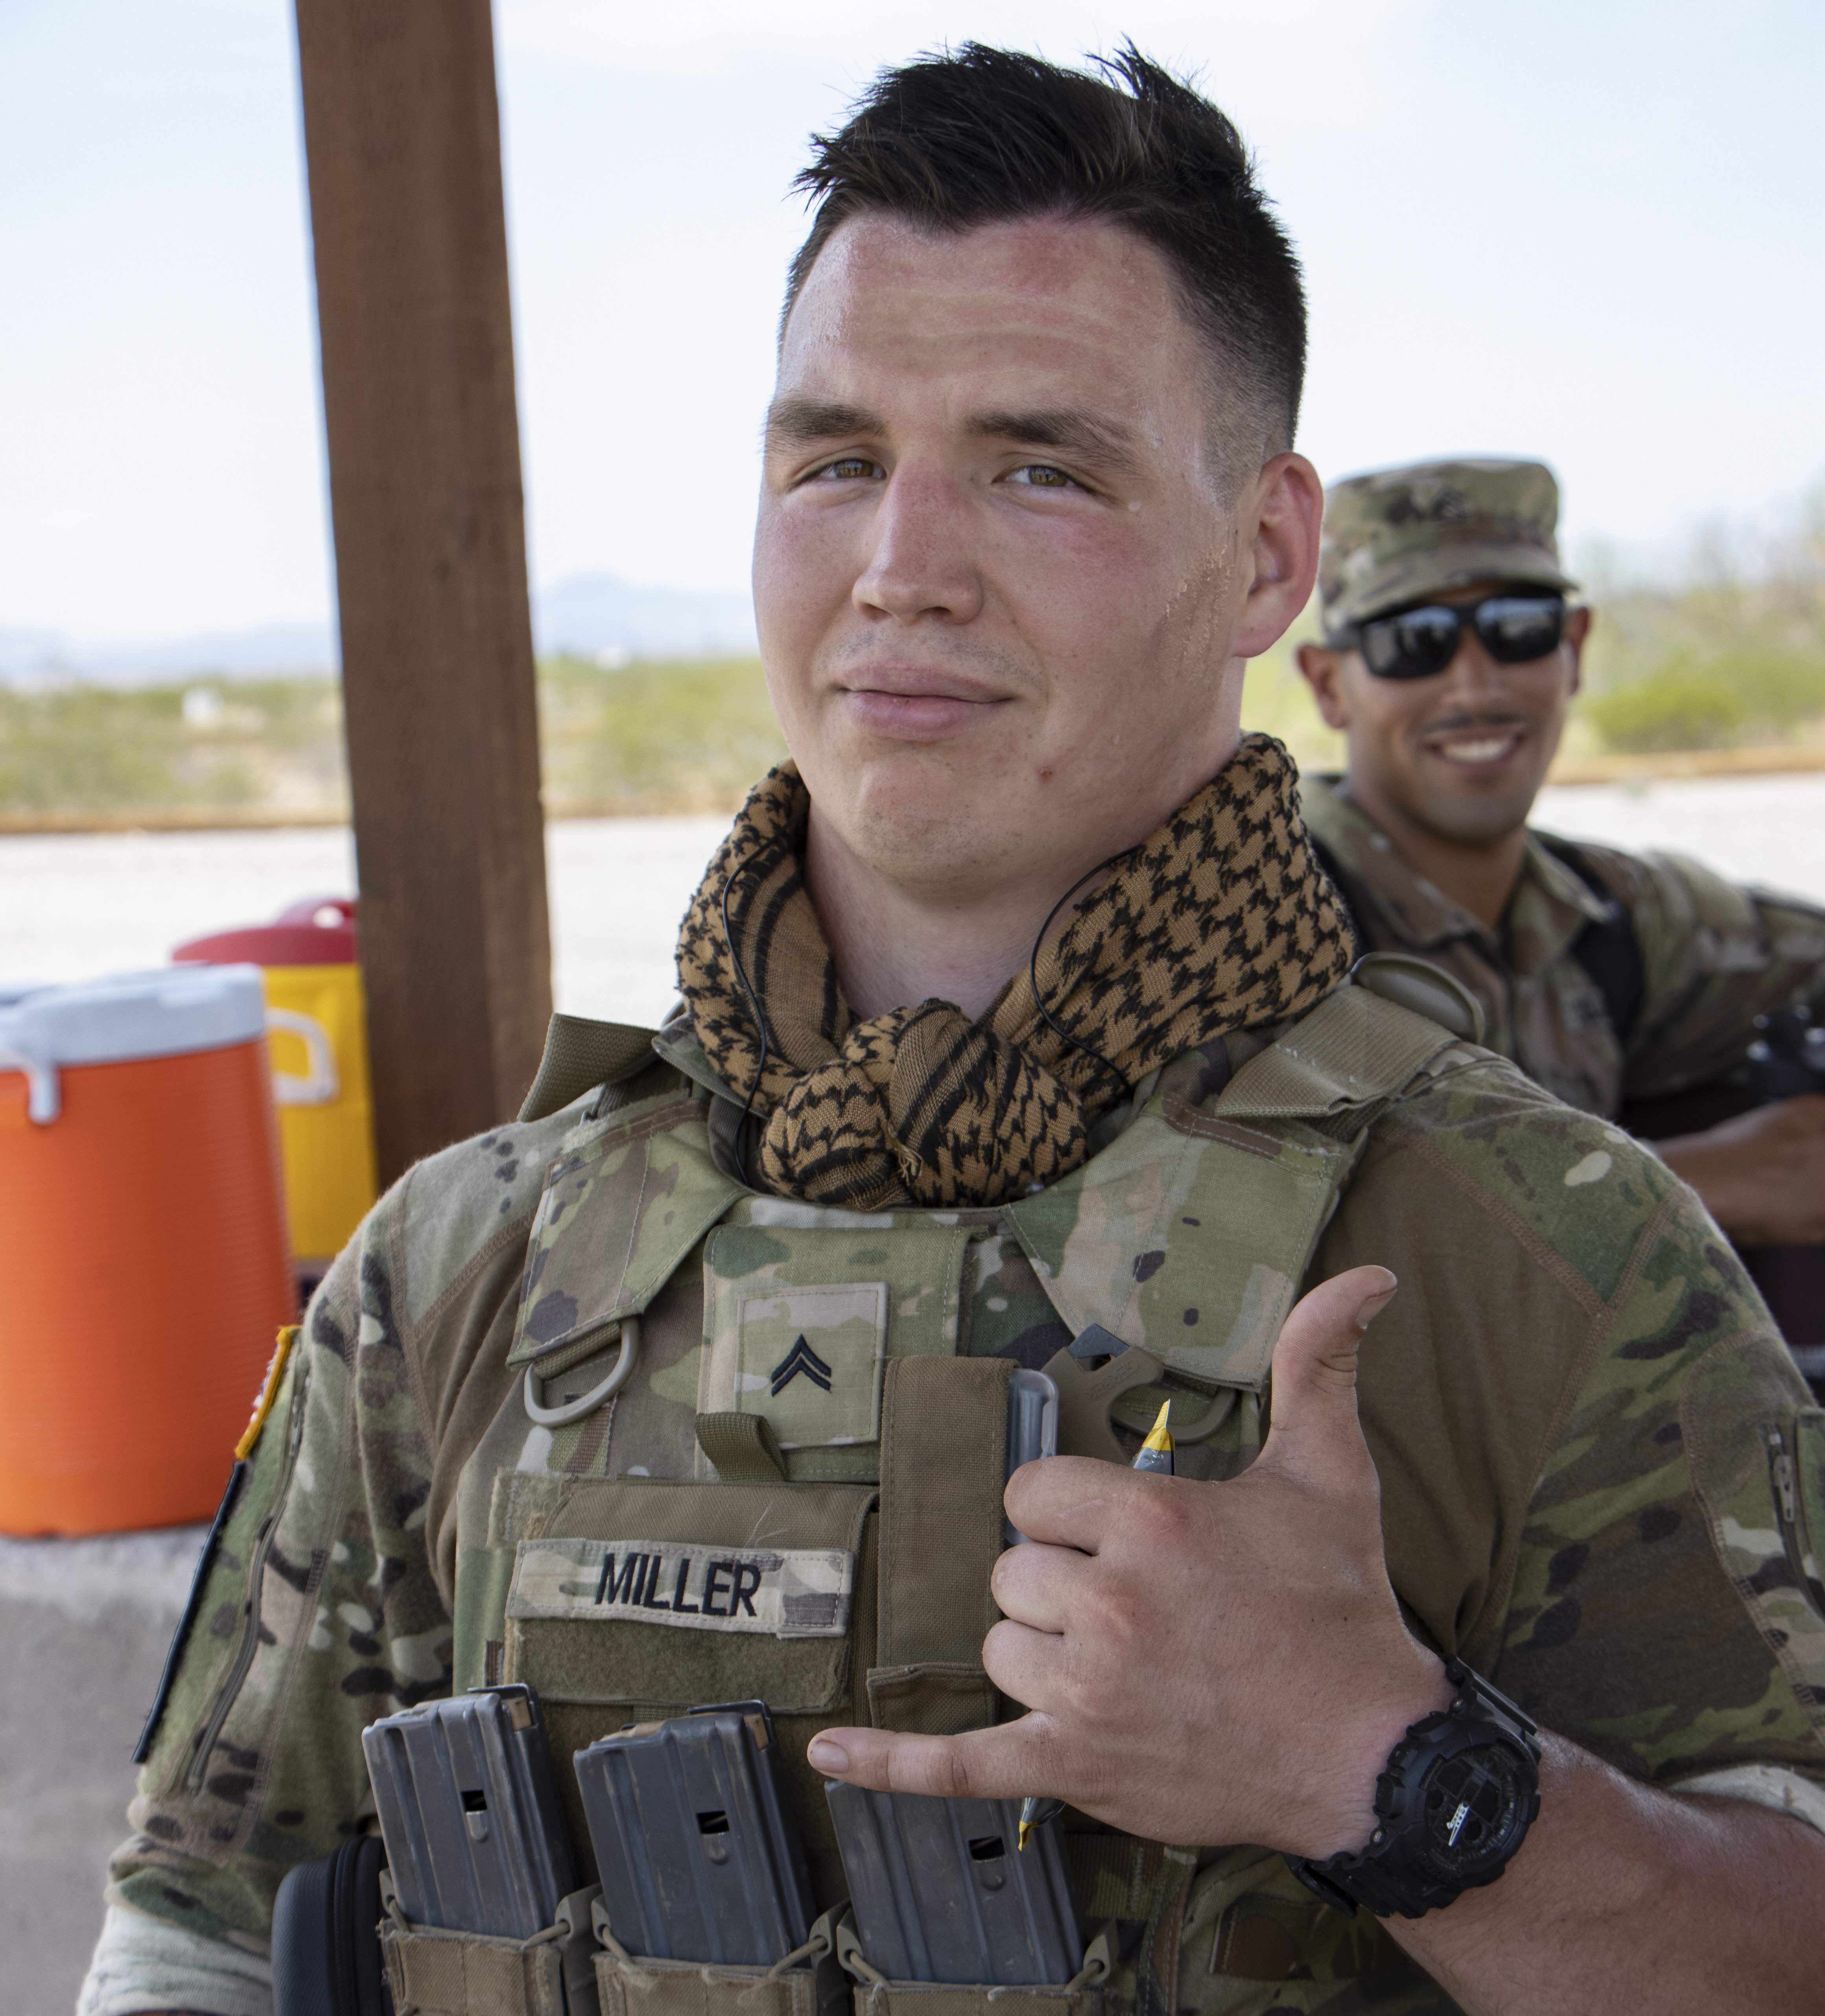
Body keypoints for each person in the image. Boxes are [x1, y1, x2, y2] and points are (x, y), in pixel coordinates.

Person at [85, 46, 1825, 2016]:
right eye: (833, 461)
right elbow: (200, 1924)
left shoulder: (1536, 1253)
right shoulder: (457, 1268)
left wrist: (1389, 1772)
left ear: (1265, 556)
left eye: (1036, 464)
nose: (900, 569)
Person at [1295, 458, 1825, 1257]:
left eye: (1520, 628)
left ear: (1573, 647)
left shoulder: (1610, 915)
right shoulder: (1261, 924)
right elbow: (1230, 1254)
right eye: (1413, 642)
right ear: (1329, 683)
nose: (1474, 686)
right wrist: (1674, 1188)